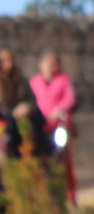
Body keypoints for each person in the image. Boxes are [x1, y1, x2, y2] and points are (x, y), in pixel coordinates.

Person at [30, 50, 77, 203]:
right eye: (48, 63)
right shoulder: (34, 83)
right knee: (43, 163)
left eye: (54, 63)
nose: (51, 66)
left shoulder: (63, 80)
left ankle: (70, 195)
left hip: (59, 127)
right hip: (41, 128)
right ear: (40, 65)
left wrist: (58, 110)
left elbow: (70, 99)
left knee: (62, 159)